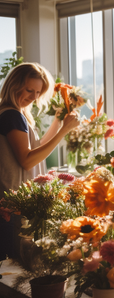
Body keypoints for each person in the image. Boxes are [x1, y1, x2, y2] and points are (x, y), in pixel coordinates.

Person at [0, 62, 80, 259]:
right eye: (29, 90)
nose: (34, 97)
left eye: (38, 92)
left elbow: (36, 149)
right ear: (13, 85)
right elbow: (28, 161)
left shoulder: (18, 114)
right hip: (14, 204)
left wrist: (57, 122)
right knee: (15, 265)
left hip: (15, 203)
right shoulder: (11, 115)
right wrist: (64, 131)